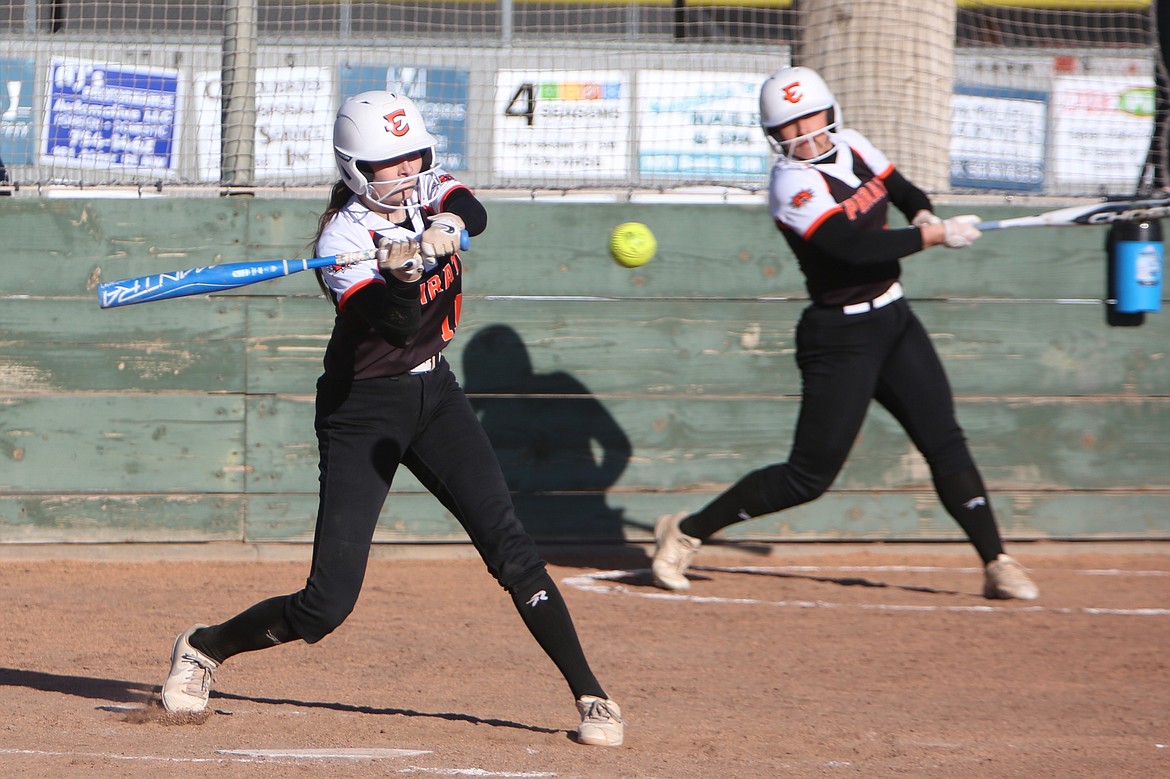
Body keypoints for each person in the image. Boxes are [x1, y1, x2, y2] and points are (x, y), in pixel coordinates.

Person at [160, 91, 623, 747]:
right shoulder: (342, 240)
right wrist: (401, 274)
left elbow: (472, 209)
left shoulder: (425, 187)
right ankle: (204, 647)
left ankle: (591, 693)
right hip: (363, 410)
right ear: (355, 169)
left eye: (414, 158)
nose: (406, 174)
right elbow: (399, 324)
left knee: (511, 547)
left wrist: (445, 230)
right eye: (388, 165)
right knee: (326, 605)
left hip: (436, 393)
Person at [651, 66, 1038, 602]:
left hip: (895, 320)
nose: (804, 133)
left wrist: (924, 210)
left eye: (811, 117)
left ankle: (996, 560)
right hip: (840, 336)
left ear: (831, 114)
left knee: (944, 441)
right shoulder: (791, 182)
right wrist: (935, 234)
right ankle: (688, 531)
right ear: (773, 136)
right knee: (807, 478)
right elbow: (851, 248)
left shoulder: (852, 146)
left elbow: (902, 189)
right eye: (788, 126)